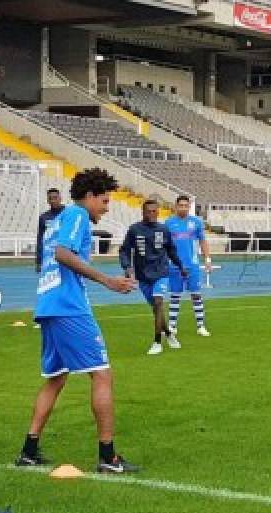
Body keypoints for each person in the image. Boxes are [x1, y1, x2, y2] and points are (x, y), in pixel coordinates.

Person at [18, 168, 141, 473]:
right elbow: (62, 253)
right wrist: (106, 280)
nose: (106, 207)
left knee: (56, 378)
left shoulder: (58, 219)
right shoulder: (77, 215)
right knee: (102, 375)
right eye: (104, 200)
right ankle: (108, 457)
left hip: (48, 305)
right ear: (88, 197)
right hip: (68, 306)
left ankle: (29, 450)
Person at [121, 199, 186, 355]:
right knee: (156, 309)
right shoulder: (134, 230)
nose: (152, 214)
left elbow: (171, 251)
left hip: (161, 273)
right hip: (143, 276)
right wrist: (127, 267)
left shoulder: (163, 229)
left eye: (154, 211)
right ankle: (169, 333)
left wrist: (181, 266)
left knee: (158, 303)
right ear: (142, 212)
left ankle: (157, 342)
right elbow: (124, 250)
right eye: (148, 211)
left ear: (158, 212)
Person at [164, 195, 212, 338]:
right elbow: (164, 245)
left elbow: (203, 241)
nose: (184, 208)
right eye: (181, 205)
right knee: (175, 296)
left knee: (196, 295)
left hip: (193, 265)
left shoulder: (196, 222)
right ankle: (172, 326)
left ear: (189, 206)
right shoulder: (168, 223)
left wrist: (207, 259)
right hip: (174, 266)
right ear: (176, 206)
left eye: (186, 205)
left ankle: (201, 326)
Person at [35, 188, 65, 274]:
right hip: (50, 257)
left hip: (66, 255)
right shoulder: (44, 217)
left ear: (60, 198)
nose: (53, 201)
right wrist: (38, 261)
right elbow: (40, 239)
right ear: (47, 200)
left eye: (55, 198)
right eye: (50, 198)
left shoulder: (68, 214)